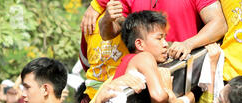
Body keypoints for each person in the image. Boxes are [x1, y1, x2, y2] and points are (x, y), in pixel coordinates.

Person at [92, 0, 227, 61]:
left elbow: (219, 24)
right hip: (145, 82)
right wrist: (107, 19)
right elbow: (107, 34)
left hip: (186, 76)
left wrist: (188, 44)